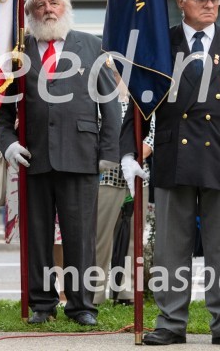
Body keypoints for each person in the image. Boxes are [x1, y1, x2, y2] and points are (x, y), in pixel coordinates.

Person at [121, 0, 220, 347]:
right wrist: (128, 151)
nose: (209, 5)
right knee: (172, 246)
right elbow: (139, 104)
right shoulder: (159, 44)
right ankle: (171, 321)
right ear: (181, 2)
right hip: (173, 155)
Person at [0, 0, 121, 327]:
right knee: (36, 237)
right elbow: (2, 117)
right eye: (40, 5)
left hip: (82, 156)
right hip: (33, 157)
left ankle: (82, 306)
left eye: (54, 3)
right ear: (31, 13)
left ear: (65, 7)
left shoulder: (91, 46)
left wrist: (106, 155)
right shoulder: (17, 55)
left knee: (81, 236)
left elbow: (110, 107)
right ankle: (42, 303)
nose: (48, 9)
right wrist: (9, 145)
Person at [93, 71, 153, 306]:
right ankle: (95, 291)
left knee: (134, 236)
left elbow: (154, 125)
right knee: (102, 236)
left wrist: (144, 149)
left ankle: (125, 290)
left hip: (138, 174)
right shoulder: (101, 90)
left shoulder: (144, 92)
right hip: (108, 175)